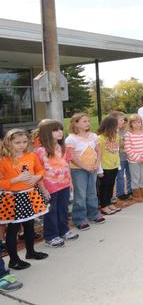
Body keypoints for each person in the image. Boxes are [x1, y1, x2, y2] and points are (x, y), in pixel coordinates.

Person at [0, 129, 49, 270]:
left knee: (29, 225)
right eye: (17, 142)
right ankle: (13, 260)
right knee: (13, 228)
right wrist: (17, 179)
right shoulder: (3, 160)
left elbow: (40, 170)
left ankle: (31, 252)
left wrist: (36, 177)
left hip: (30, 194)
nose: (21, 145)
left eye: (24, 142)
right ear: (9, 143)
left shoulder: (31, 156)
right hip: (13, 197)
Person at [34, 119, 79, 247]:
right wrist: (43, 189)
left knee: (63, 209)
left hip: (64, 184)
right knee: (51, 212)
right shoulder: (40, 151)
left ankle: (64, 231)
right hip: (49, 187)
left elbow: (67, 165)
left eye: (60, 129)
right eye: (55, 130)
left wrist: (70, 181)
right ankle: (51, 236)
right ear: (47, 133)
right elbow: (38, 172)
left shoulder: (62, 147)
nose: (60, 132)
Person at [66, 113, 105, 231]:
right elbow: (71, 157)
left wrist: (97, 164)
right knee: (80, 195)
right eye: (84, 121)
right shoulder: (71, 138)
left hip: (92, 169)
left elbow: (98, 151)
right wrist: (84, 167)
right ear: (75, 124)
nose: (88, 123)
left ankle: (93, 214)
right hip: (78, 170)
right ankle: (79, 219)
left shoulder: (93, 136)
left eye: (88, 121)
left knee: (92, 192)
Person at [96, 117, 122, 215]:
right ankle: (103, 206)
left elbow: (116, 151)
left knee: (110, 186)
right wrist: (99, 169)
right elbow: (98, 154)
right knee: (104, 187)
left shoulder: (116, 136)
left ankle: (109, 203)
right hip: (105, 167)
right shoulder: (100, 138)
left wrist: (118, 164)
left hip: (114, 165)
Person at [124, 114, 143, 203]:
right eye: (134, 123)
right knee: (136, 177)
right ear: (130, 124)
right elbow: (128, 148)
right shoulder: (128, 134)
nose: (137, 124)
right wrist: (137, 158)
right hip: (134, 161)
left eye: (139, 122)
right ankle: (136, 193)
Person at [111, 111, 132, 206]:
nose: (123, 122)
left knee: (129, 174)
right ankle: (120, 193)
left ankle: (130, 190)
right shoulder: (115, 132)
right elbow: (117, 144)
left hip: (129, 157)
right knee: (120, 176)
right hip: (120, 158)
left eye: (125, 121)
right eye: (122, 120)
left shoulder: (128, 132)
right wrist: (124, 144)